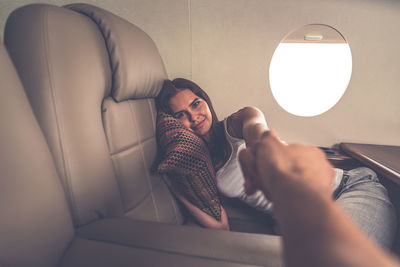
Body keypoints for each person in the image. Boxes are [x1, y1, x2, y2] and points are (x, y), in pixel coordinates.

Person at [155, 78, 396, 248]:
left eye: (195, 103)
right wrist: (174, 183)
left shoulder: (236, 124)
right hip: (300, 221)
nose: (193, 116)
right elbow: (220, 227)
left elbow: (256, 129)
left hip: (348, 189)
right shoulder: (201, 165)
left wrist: (263, 151)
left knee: (339, 251)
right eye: (180, 115)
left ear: (206, 101)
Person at [239, 131, 400, 267]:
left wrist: (270, 160)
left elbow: (257, 129)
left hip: (351, 186)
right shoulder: (212, 167)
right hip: (297, 207)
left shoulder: (231, 126)